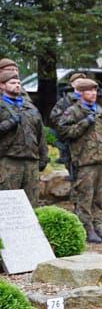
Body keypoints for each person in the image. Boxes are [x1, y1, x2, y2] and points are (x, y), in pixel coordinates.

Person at [58, 79, 102, 243]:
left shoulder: (100, 111)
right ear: (81, 92)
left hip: (100, 160)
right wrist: (85, 122)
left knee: (99, 198)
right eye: (89, 91)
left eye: (95, 91)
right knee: (85, 198)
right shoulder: (73, 111)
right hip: (84, 161)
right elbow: (64, 132)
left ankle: (99, 226)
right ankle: (87, 227)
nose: (93, 94)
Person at [0, 69, 48, 206]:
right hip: (9, 160)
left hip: (31, 161)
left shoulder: (30, 108)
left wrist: (43, 157)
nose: (17, 85)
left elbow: (40, 134)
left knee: (32, 203)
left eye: (18, 82)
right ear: (2, 85)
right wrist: (10, 123)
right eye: (12, 83)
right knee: (8, 203)